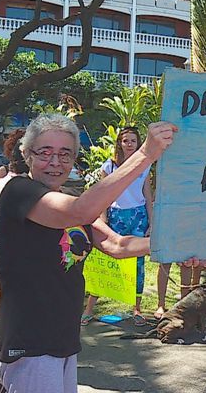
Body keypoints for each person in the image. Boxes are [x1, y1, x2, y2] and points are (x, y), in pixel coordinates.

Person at [0, 114, 175, 393]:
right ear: (27, 155)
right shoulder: (19, 191)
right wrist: (146, 154)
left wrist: (178, 245)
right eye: (45, 153)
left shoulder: (67, 197)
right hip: (29, 343)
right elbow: (80, 211)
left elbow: (118, 246)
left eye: (65, 154)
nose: (55, 162)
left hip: (63, 339)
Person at [81, 127, 154, 327]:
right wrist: (103, 220)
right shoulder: (109, 167)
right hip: (116, 216)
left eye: (133, 141)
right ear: (119, 144)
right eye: (125, 141)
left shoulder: (144, 166)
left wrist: (152, 222)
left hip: (138, 215)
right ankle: (89, 308)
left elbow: (147, 195)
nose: (129, 144)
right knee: (105, 262)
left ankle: (136, 308)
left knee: (138, 264)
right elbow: (104, 196)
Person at [0, 131, 29, 314]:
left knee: (3, 285)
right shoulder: (23, 186)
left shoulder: (3, 181)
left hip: (1, 240)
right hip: (16, 243)